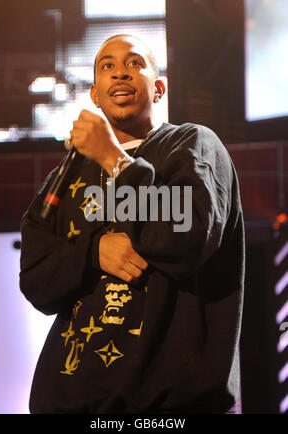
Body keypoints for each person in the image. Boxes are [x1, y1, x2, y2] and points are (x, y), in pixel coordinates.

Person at [19, 34, 245, 414]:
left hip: (167, 406)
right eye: (107, 66)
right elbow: (35, 278)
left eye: (134, 63)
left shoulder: (191, 146)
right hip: (74, 402)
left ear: (158, 88)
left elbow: (188, 236)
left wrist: (114, 159)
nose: (120, 73)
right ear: (94, 93)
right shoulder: (67, 174)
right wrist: (93, 253)